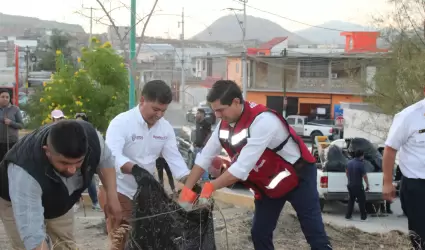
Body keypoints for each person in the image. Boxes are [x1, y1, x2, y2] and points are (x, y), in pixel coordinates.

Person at [178, 80, 332, 250]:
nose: (218, 116)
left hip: (299, 177)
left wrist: (209, 187)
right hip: (269, 184)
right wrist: (187, 192)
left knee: (314, 234)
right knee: (259, 233)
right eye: (215, 111)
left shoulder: (264, 121)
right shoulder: (223, 125)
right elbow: (205, 157)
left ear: (236, 102)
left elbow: (240, 169)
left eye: (221, 110)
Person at [0, 120, 122, 250]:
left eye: (78, 162)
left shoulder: (92, 139)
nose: (72, 170)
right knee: (27, 246)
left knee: (66, 245)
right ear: (47, 151)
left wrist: (112, 198)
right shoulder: (24, 172)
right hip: (15, 200)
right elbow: (32, 234)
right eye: (64, 163)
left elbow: (106, 161)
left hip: (61, 196)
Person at [105, 79, 190, 250]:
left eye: (163, 111)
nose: (159, 115)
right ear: (142, 100)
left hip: (146, 193)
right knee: (123, 237)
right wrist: (136, 170)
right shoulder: (121, 123)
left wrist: (191, 181)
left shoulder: (165, 129)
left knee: (148, 237)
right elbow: (112, 156)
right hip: (119, 189)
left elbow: (175, 161)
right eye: (155, 109)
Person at [383, 93, 425, 250]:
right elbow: (390, 149)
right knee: (421, 237)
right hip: (417, 187)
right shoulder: (408, 116)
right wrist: (387, 182)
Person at [73, 112, 102, 212]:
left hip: (88, 161)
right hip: (75, 161)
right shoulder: (71, 132)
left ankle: (95, 202)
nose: (78, 122)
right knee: (74, 182)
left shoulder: (92, 133)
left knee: (90, 182)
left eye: (81, 120)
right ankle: (75, 203)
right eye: (77, 120)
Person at [345, 149, 369, 221]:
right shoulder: (361, 164)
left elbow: (346, 172)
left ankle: (348, 216)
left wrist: (350, 178)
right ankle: (363, 217)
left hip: (350, 185)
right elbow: (364, 176)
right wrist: (367, 185)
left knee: (351, 200)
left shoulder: (349, 163)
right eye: (363, 155)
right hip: (358, 186)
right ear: (361, 156)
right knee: (361, 201)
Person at [0, 89, 23, 160]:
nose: (5, 99)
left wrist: (11, 123)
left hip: (11, 142)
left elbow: (21, 125)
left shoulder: (15, 109)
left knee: (9, 163)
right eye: (2, 97)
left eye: (7, 97)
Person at [193, 108, 212, 181]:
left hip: (203, 148)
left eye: (198, 113)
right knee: (197, 165)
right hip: (196, 147)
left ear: (202, 114)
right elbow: (197, 134)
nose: (196, 115)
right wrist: (195, 142)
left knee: (204, 164)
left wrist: (204, 144)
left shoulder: (207, 124)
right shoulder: (197, 123)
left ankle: (205, 180)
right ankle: (198, 180)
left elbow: (209, 135)